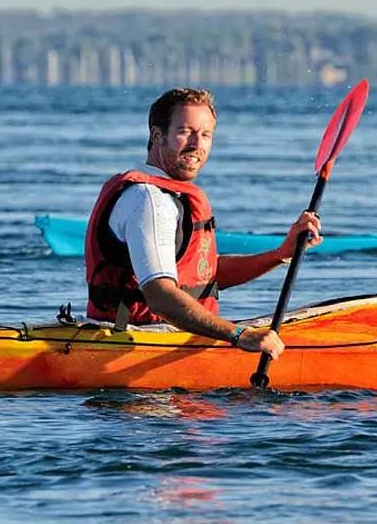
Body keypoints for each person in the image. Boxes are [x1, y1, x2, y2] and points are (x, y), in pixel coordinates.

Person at [84, 88, 322, 360]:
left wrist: (280, 254)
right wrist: (239, 335)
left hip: (163, 339)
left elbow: (204, 274)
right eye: (185, 131)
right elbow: (159, 297)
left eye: (206, 135)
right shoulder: (150, 201)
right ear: (157, 135)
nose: (197, 145)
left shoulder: (167, 197)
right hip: (135, 347)